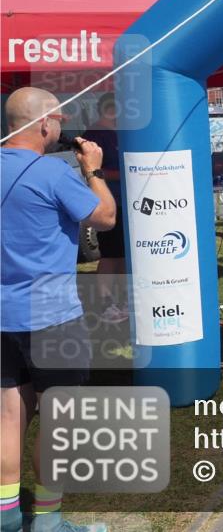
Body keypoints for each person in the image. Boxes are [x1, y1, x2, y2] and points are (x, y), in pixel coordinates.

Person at [2, 87, 116, 532]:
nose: (63, 127)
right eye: (61, 119)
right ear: (45, 124)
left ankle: (8, 516)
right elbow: (104, 217)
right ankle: (48, 521)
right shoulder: (52, 172)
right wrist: (94, 171)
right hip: (52, 318)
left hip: (4, 317)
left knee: (9, 417)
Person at [80, 92, 128, 324]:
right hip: (108, 202)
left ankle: (122, 300)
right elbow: (92, 171)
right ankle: (105, 302)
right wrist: (125, 174)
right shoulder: (94, 136)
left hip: (125, 203)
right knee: (110, 255)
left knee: (124, 254)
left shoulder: (118, 132)